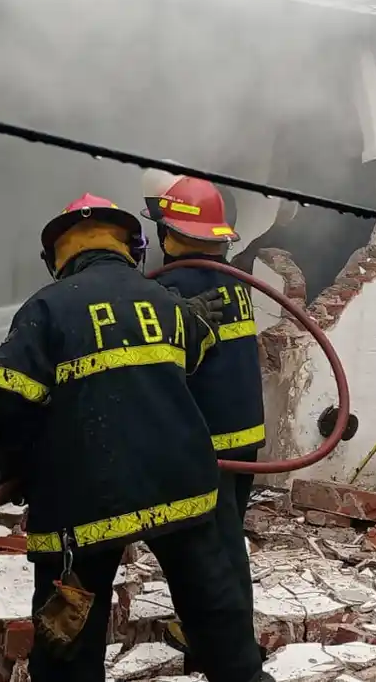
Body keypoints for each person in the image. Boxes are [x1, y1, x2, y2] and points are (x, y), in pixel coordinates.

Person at [0, 193, 262, 682]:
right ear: (135, 247)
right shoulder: (166, 303)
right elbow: (187, 360)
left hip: (83, 502)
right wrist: (192, 321)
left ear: (57, 256)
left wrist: (21, 472)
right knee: (216, 614)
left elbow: (8, 401)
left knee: (69, 632)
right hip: (181, 489)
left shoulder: (44, 310)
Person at [143, 175, 266, 619]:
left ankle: (224, 645)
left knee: (210, 553)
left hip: (209, 444)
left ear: (171, 233)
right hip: (245, 437)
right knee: (228, 541)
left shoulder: (176, 289)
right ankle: (225, 634)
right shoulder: (233, 281)